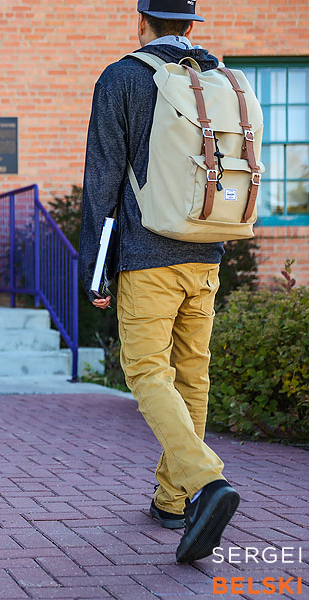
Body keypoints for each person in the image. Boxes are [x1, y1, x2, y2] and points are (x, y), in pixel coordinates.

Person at [79, 0, 240, 563]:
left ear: (140, 19)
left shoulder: (123, 77)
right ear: (190, 24)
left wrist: (94, 271)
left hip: (149, 255)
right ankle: (172, 501)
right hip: (209, 250)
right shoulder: (215, 77)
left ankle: (205, 480)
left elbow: (101, 181)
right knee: (192, 376)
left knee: (147, 372)